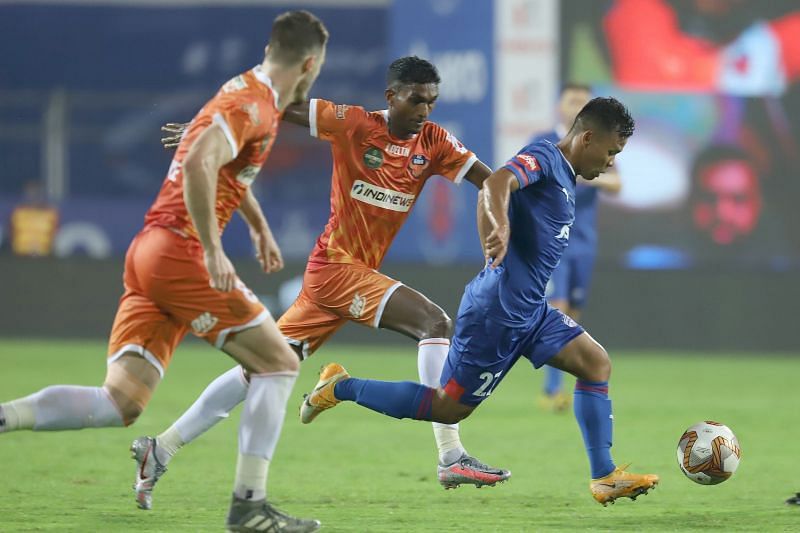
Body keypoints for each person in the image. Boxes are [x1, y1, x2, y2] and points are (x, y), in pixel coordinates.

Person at [0, 10, 328, 532]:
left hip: (149, 251)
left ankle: (5, 415)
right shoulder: (254, 103)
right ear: (310, 64)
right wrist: (213, 248)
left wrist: (260, 226)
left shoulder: (243, 91)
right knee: (279, 363)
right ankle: (249, 506)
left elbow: (218, 165)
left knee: (120, 401)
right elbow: (199, 160)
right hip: (181, 252)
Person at [132, 55, 508, 510]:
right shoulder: (353, 124)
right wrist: (209, 125)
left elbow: (490, 183)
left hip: (332, 279)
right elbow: (281, 107)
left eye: (431, 102)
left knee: (260, 368)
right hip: (337, 267)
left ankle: (163, 447)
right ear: (391, 97)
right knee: (434, 323)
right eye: (415, 101)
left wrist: (513, 214)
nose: (424, 110)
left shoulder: (436, 142)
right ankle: (450, 454)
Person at [300, 97, 661, 506]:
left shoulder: (567, 176)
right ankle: (340, 387)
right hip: (497, 313)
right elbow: (496, 183)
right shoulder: (544, 156)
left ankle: (604, 476)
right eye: (611, 151)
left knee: (595, 363)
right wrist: (497, 227)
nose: (612, 161)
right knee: (446, 408)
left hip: (530, 311)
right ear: (588, 137)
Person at [530, 84, 621, 412]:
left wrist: (581, 173)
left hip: (584, 242)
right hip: (553, 240)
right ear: (559, 106)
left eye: (583, 102)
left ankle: (557, 385)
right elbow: (524, 179)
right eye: (572, 100)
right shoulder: (544, 142)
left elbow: (617, 183)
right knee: (558, 308)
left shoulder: (597, 148)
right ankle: (552, 390)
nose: (576, 107)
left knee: (573, 313)